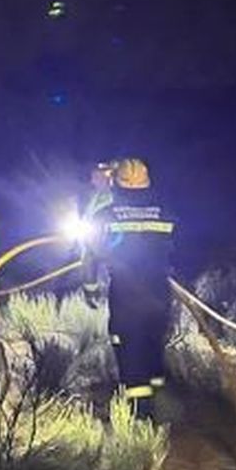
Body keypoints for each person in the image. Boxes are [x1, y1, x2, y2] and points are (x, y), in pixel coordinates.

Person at [84, 157, 175, 418]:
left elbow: (90, 255)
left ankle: (141, 417)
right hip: (160, 294)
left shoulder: (104, 215)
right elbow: (180, 249)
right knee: (153, 342)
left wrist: (90, 287)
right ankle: (161, 398)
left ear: (116, 184)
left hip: (126, 295)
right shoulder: (166, 212)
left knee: (129, 349)